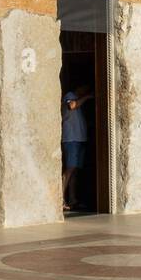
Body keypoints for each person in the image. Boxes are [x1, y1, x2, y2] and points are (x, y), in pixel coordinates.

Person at [61, 83, 93, 212]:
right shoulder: (70, 96)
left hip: (80, 139)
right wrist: (87, 97)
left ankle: (72, 199)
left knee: (74, 171)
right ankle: (60, 199)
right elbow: (71, 105)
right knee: (69, 170)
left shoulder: (78, 99)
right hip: (71, 139)